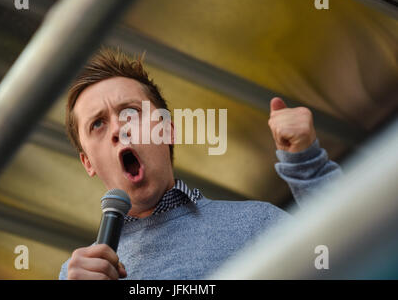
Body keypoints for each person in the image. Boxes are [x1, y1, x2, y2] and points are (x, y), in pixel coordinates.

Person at [59, 49, 342, 280]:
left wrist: (307, 165)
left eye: (131, 112)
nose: (118, 129)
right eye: (97, 123)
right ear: (88, 162)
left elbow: (358, 260)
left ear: (167, 129)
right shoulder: (80, 273)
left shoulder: (255, 223)